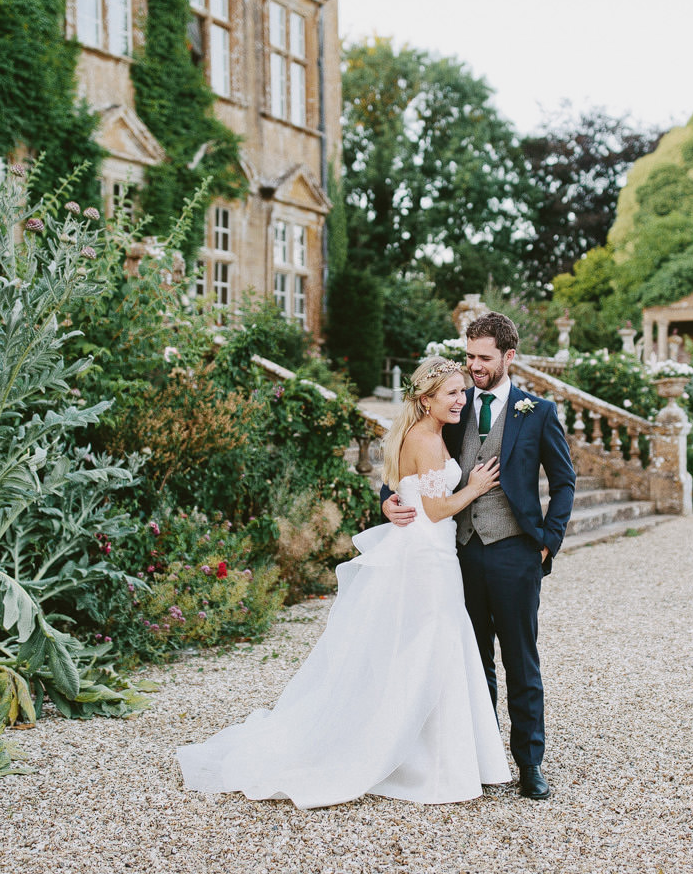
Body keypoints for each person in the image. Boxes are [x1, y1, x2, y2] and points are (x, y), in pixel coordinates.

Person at [175, 357, 510, 808]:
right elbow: (432, 509)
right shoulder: (426, 439)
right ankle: (423, 763)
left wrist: (397, 501)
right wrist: (472, 487)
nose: (460, 399)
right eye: (451, 392)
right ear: (426, 398)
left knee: (425, 649)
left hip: (428, 552)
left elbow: (403, 490)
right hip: (426, 555)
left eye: (462, 391)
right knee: (428, 647)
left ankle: (433, 755)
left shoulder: (426, 434)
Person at [382, 312, 576, 800]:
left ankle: (530, 763)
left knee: (520, 660)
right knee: (472, 660)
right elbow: (411, 462)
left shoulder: (539, 412)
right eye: (469, 356)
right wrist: (386, 499)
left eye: (484, 358)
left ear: (509, 356)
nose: (474, 368)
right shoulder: (453, 406)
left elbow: (564, 480)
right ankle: (481, 758)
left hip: (514, 552)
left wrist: (549, 537)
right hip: (458, 554)